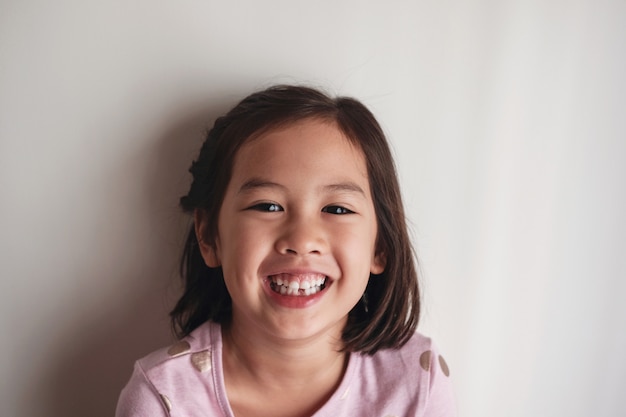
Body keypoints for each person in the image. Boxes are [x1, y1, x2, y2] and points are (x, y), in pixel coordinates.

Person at [115, 85, 457, 417]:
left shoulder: (416, 382)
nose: (302, 239)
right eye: (267, 206)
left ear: (380, 245)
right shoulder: (161, 398)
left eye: (337, 209)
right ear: (209, 236)